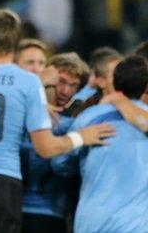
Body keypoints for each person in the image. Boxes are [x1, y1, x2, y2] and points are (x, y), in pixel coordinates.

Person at [0, 9, 114, 233]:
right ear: (15, 44)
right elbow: (46, 148)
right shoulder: (27, 82)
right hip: (3, 183)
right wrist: (80, 137)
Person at [52, 56, 148, 232]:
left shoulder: (89, 117)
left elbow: (60, 163)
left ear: (115, 83)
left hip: (92, 223)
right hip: (136, 225)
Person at [19, 53, 89, 233]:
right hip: (12, 208)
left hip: (50, 214)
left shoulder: (77, 122)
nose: (65, 91)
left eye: (73, 85)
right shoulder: (19, 109)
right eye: (61, 82)